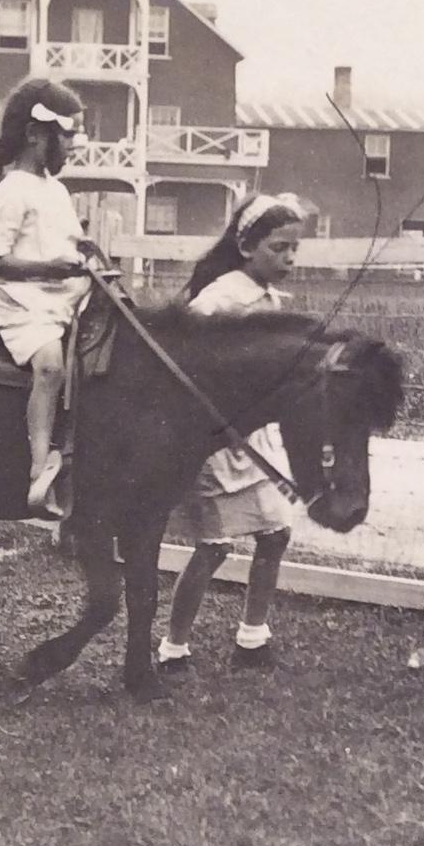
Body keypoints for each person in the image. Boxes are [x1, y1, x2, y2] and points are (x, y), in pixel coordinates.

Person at [157, 193, 310, 673]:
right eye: (278, 248)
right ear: (246, 246)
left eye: (293, 250)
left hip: (254, 440)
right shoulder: (218, 299)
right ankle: (173, 648)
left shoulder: (269, 300)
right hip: (215, 441)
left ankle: (252, 638)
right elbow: (179, 361)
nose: (288, 259)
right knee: (215, 545)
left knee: (275, 532)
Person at [0, 80, 94, 515]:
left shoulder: (58, 191)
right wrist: (52, 269)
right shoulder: (11, 190)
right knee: (50, 366)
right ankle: (38, 471)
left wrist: (86, 261)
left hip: (62, 297)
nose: (72, 145)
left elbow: (67, 245)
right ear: (35, 135)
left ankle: (79, 460)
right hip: (19, 302)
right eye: (66, 135)